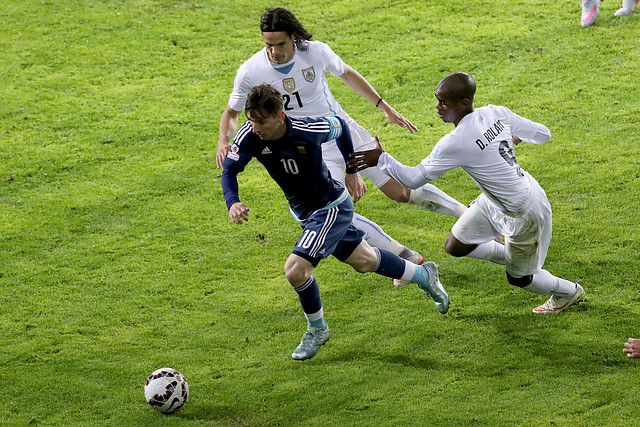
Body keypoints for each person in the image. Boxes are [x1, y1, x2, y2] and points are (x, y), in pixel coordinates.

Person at [217, 7, 467, 268]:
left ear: (293, 36)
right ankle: (406, 256)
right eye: (268, 45)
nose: (274, 52)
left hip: (343, 131)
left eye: (279, 44)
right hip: (311, 152)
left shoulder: (315, 52)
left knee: (401, 191)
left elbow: (346, 74)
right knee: (333, 213)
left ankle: (470, 215)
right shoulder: (251, 70)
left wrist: (383, 106)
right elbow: (232, 112)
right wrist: (224, 140)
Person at [221, 84, 449, 361]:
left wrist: (352, 170)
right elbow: (230, 169)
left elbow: (340, 126)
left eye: (260, 121)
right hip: (305, 213)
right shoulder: (250, 135)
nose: (254, 127)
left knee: (295, 270)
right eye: (251, 120)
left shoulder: (307, 130)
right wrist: (232, 201)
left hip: (331, 207)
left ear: (279, 117)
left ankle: (317, 329)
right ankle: (426, 275)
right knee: (364, 261)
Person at [348, 72, 584, 314]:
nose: (438, 108)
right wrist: (513, 138)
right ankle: (515, 256)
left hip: (524, 212)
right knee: (455, 246)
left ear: (464, 103)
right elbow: (543, 133)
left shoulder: (456, 142)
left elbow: (413, 179)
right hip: (496, 200)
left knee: (520, 279)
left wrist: (381, 158)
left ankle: (568, 291)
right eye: (438, 100)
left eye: (444, 102)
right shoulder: (495, 112)